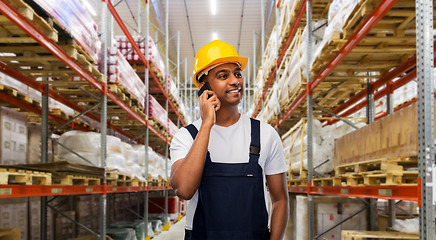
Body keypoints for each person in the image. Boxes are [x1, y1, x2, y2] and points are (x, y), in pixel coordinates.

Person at [170, 40, 289, 240]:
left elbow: (280, 200)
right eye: (223, 76)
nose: (235, 81)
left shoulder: (265, 134)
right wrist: (207, 124)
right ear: (203, 86)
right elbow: (184, 190)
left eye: (238, 73)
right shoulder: (186, 137)